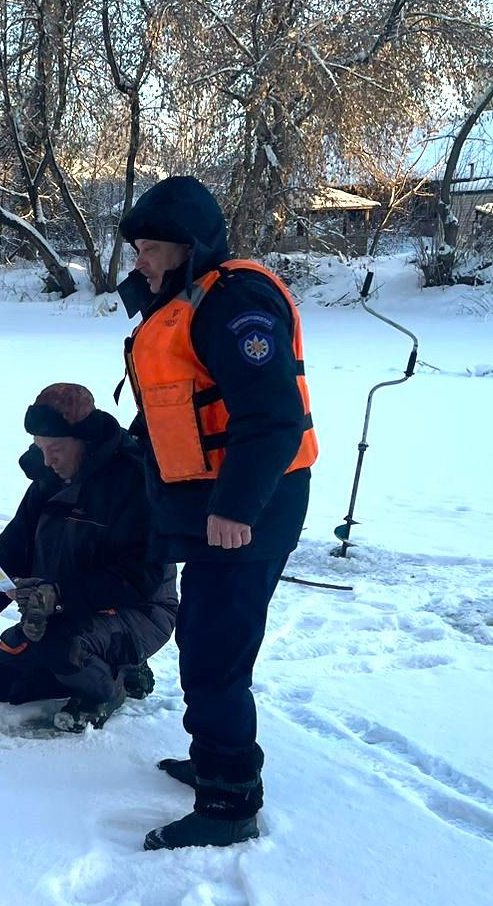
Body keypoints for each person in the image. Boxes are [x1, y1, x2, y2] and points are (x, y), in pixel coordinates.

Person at [116, 176, 317, 850]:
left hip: (250, 503)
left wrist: (235, 508)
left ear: (186, 245)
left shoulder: (233, 302)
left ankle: (229, 799)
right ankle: (213, 758)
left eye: (148, 247)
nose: (138, 259)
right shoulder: (182, 298)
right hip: (213, 501)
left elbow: (273, 417)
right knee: (203, 633)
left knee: (215, 651)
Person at [0, 383, 178, 731]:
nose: (46, 459)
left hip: (141, 611)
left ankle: (109, 687)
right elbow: (14, 553)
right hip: (63, 610)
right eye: (40, 448)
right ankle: (104, 666)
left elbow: (139, 578)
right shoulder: (47, 480)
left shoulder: (133, 481)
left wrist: (58, 595)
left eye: (55, 449)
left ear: (84, 441)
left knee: (61, 645)